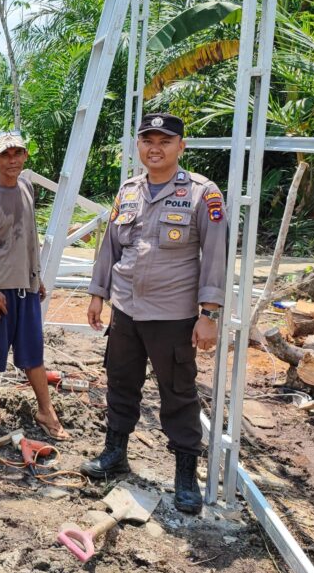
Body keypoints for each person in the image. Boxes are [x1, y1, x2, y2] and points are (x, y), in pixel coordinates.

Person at [83, 112, 227, 514]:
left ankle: (185, 476)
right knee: (120, 383)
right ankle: (115, 454)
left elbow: (215, 256)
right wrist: (97, 294)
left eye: (165, 141)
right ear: (139, 146)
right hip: (126, 309)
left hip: (172, 314)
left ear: (181, 146)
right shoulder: (129, 190)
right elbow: (110, 247)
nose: (155, 148)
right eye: (148, 140)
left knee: (178, 393)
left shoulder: (202, 193)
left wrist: (209, 314)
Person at [0, 132, 69, 440]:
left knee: (32, 353)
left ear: (25, 156)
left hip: (25, 288)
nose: (12, 160)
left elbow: (30, 235)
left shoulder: (26, 187)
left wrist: (36, 276)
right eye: (5, 154)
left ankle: (46, 411)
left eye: (17, 153)